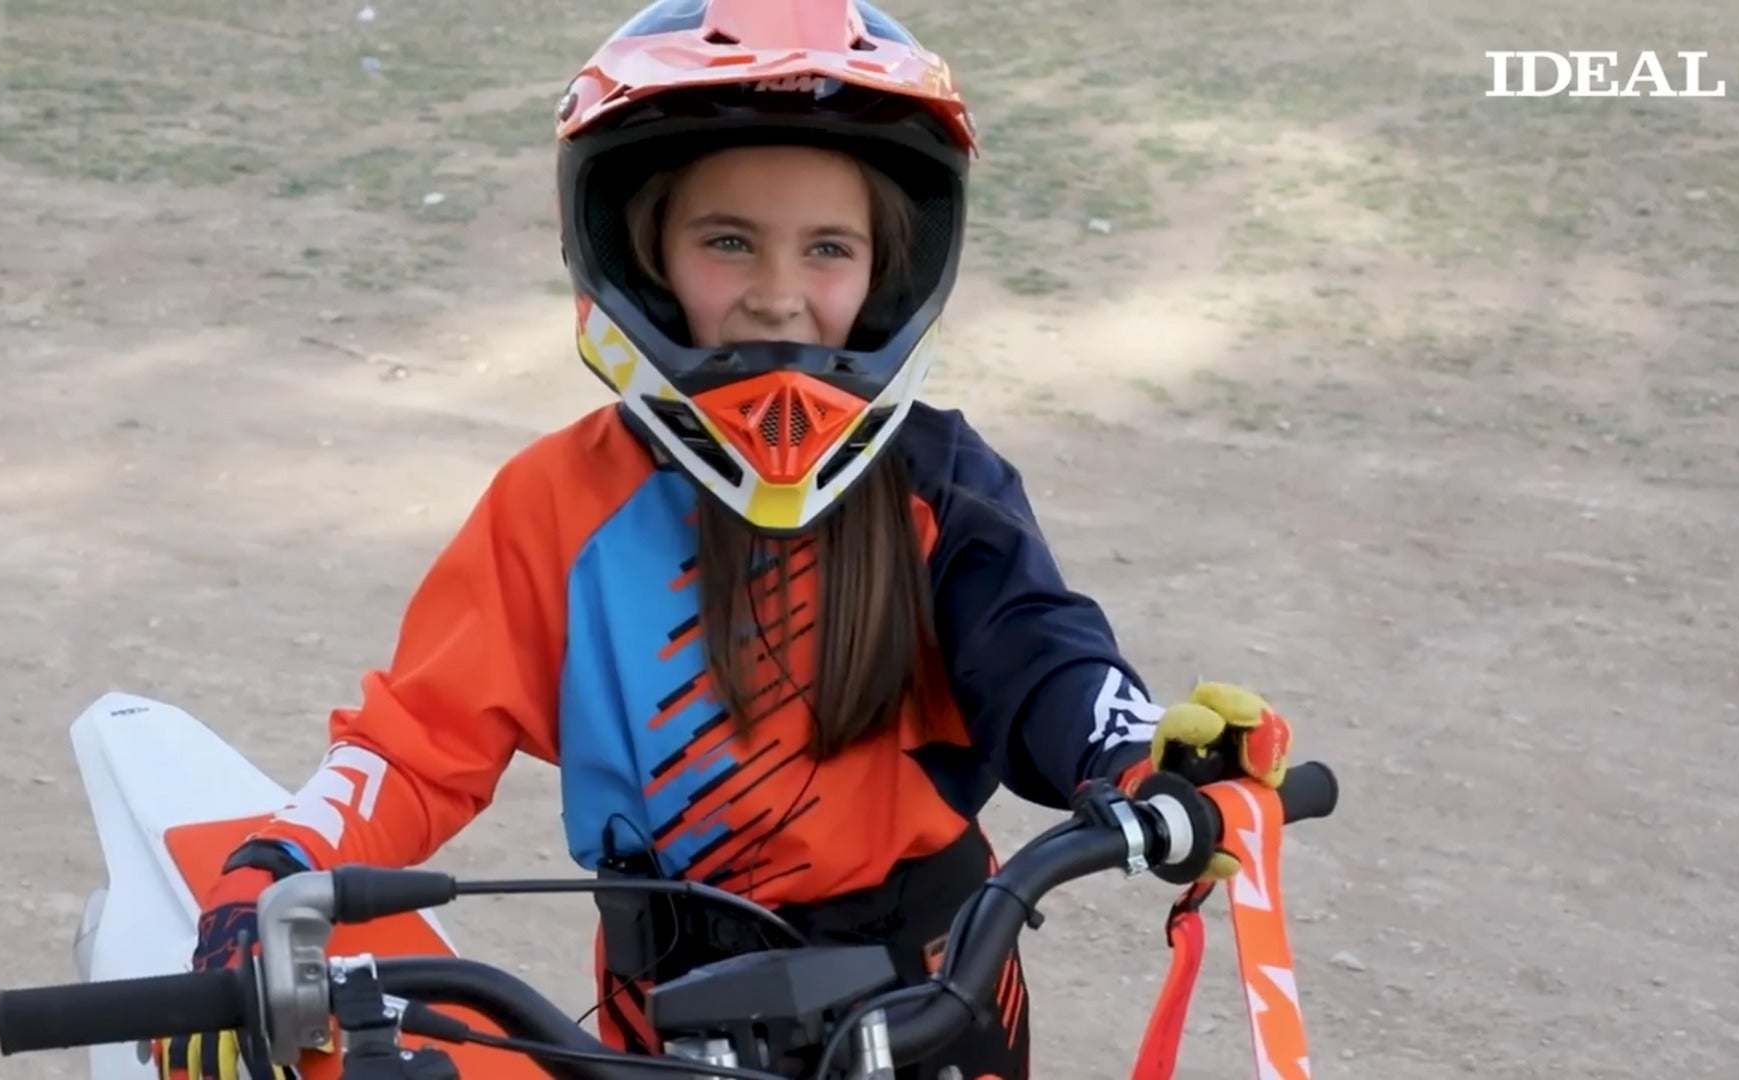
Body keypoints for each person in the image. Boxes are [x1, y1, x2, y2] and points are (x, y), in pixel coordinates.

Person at [155, 2, 1294, 1078]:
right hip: (663, 1018)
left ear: (888, 271)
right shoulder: (557, 503)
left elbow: (1039, 650)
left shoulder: (939, 482)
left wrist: (1141, 751)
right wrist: (272, 873)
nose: (778, 295)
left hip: (937, 999)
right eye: (730, 241)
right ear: (641, 253)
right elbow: (415, 745)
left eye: (828, 249)